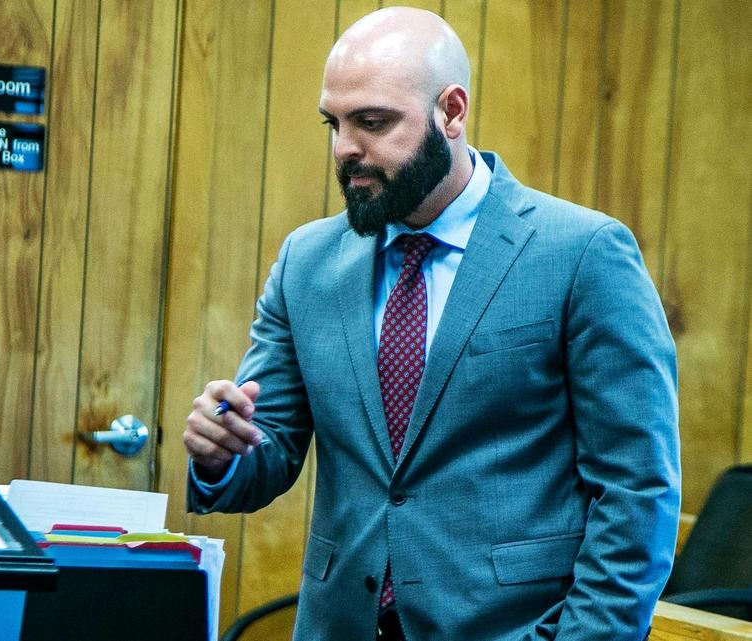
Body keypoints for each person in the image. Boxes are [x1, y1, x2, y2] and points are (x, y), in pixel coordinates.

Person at [182, 7, 680, 641]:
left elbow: (636, 492)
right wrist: (220, 453)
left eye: (373, 122)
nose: (345, 149)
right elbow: (265, 454)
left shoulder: (582, 255)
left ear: (451, 111)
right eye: (333, 124)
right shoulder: (306, 263)